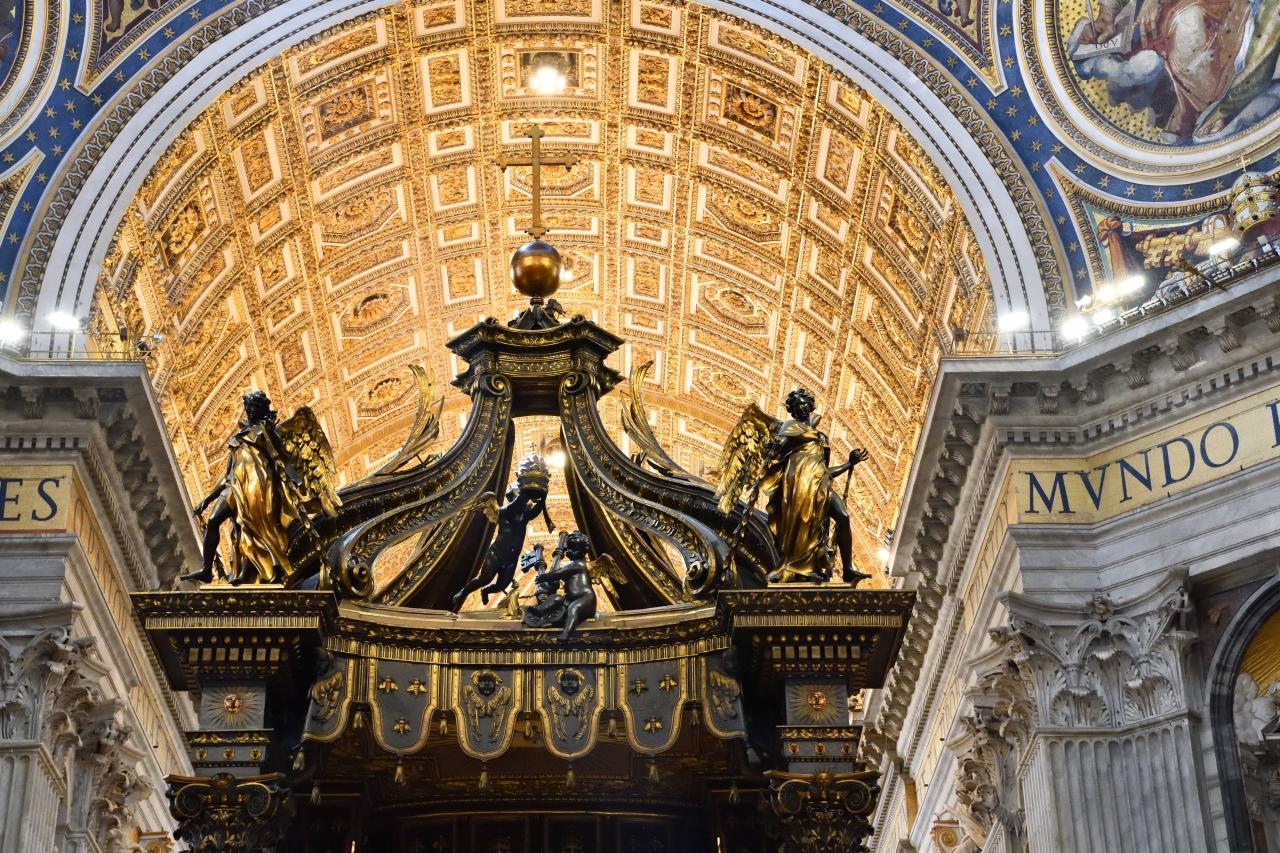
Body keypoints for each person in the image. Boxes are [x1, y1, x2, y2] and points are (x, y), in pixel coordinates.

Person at [182, 391, 308, 585]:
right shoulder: (238, 440)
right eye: (248, 407)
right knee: (214, 520)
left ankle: (245, 573)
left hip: (257, 483)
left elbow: (282, 458)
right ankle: (207, 569)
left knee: (248, 525)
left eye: (252, 407)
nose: (249, 410)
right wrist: (207, 499)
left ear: (259, 409)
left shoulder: (266, 430)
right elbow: (228, 475)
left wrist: (297, 481)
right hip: (235, 485)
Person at [759, 388, 869, 584]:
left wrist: (849, 463)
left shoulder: (820, 437)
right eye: (797, 405)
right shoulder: (790, 428)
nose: (801, 408)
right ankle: (794, 564)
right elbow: (777, 450)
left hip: (820, 483)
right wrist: (771, 449)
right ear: (792, 410)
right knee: (801, 523)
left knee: (843, 516)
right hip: (799, 482)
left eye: (804, 404)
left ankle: (848, 569)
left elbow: (825, 471)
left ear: (810, 406)